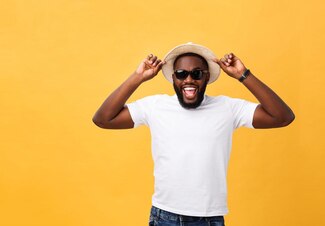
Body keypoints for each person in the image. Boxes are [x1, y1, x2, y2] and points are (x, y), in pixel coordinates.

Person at [92, 42, 295, 226]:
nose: (189, 80)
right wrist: (137, 78)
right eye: (181, 73)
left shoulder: (227, 108)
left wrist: (243, 75)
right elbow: (103, 119)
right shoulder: (155, 106)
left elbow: (282, 117)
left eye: (197, 74)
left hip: (210, 218)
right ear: (173, 78)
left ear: (207, 77)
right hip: (165, 217)